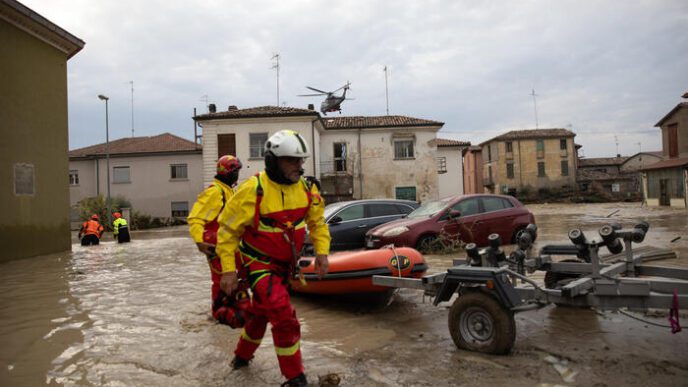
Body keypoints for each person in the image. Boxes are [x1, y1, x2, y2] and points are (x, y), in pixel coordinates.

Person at [216, 130, 330, 387]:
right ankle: (295, 378)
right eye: (292, 160)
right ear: (273, 160)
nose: (299, 166)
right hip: (258, 266)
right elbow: (227, 232)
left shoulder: (307, 189)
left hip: (285, 268)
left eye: (301, 161)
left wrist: (322, 253)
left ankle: (240, 360)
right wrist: (227, 271)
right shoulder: (252, 190)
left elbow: (318, 224)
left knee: (260, 315)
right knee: (283, 315)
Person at [187, 155, 242, 305]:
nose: (238, 175)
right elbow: (195, 218)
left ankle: (232, 306)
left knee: (239, 274)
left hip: (229, 243)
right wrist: (199, 241)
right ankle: (219, 314)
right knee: (221, 279)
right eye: (236, 171)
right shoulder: (215, 192)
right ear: (230, 172)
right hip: (216, 244)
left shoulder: (228, 191)